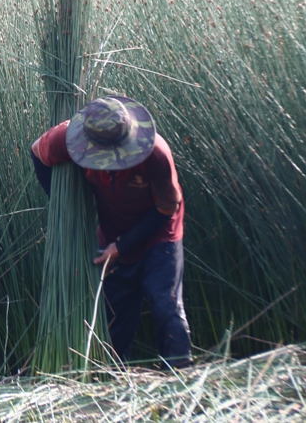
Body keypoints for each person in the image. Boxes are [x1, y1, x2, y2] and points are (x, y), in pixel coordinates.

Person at [31, 95, 192, 368]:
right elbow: (38, 152)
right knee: (113, 316)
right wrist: (66, 210)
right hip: (110, 236)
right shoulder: (68, 139)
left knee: (164, 303)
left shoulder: (155, 152)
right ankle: (114, 383)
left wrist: (123, 246)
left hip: (159, 235)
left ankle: (180, 380)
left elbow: (167, 208)